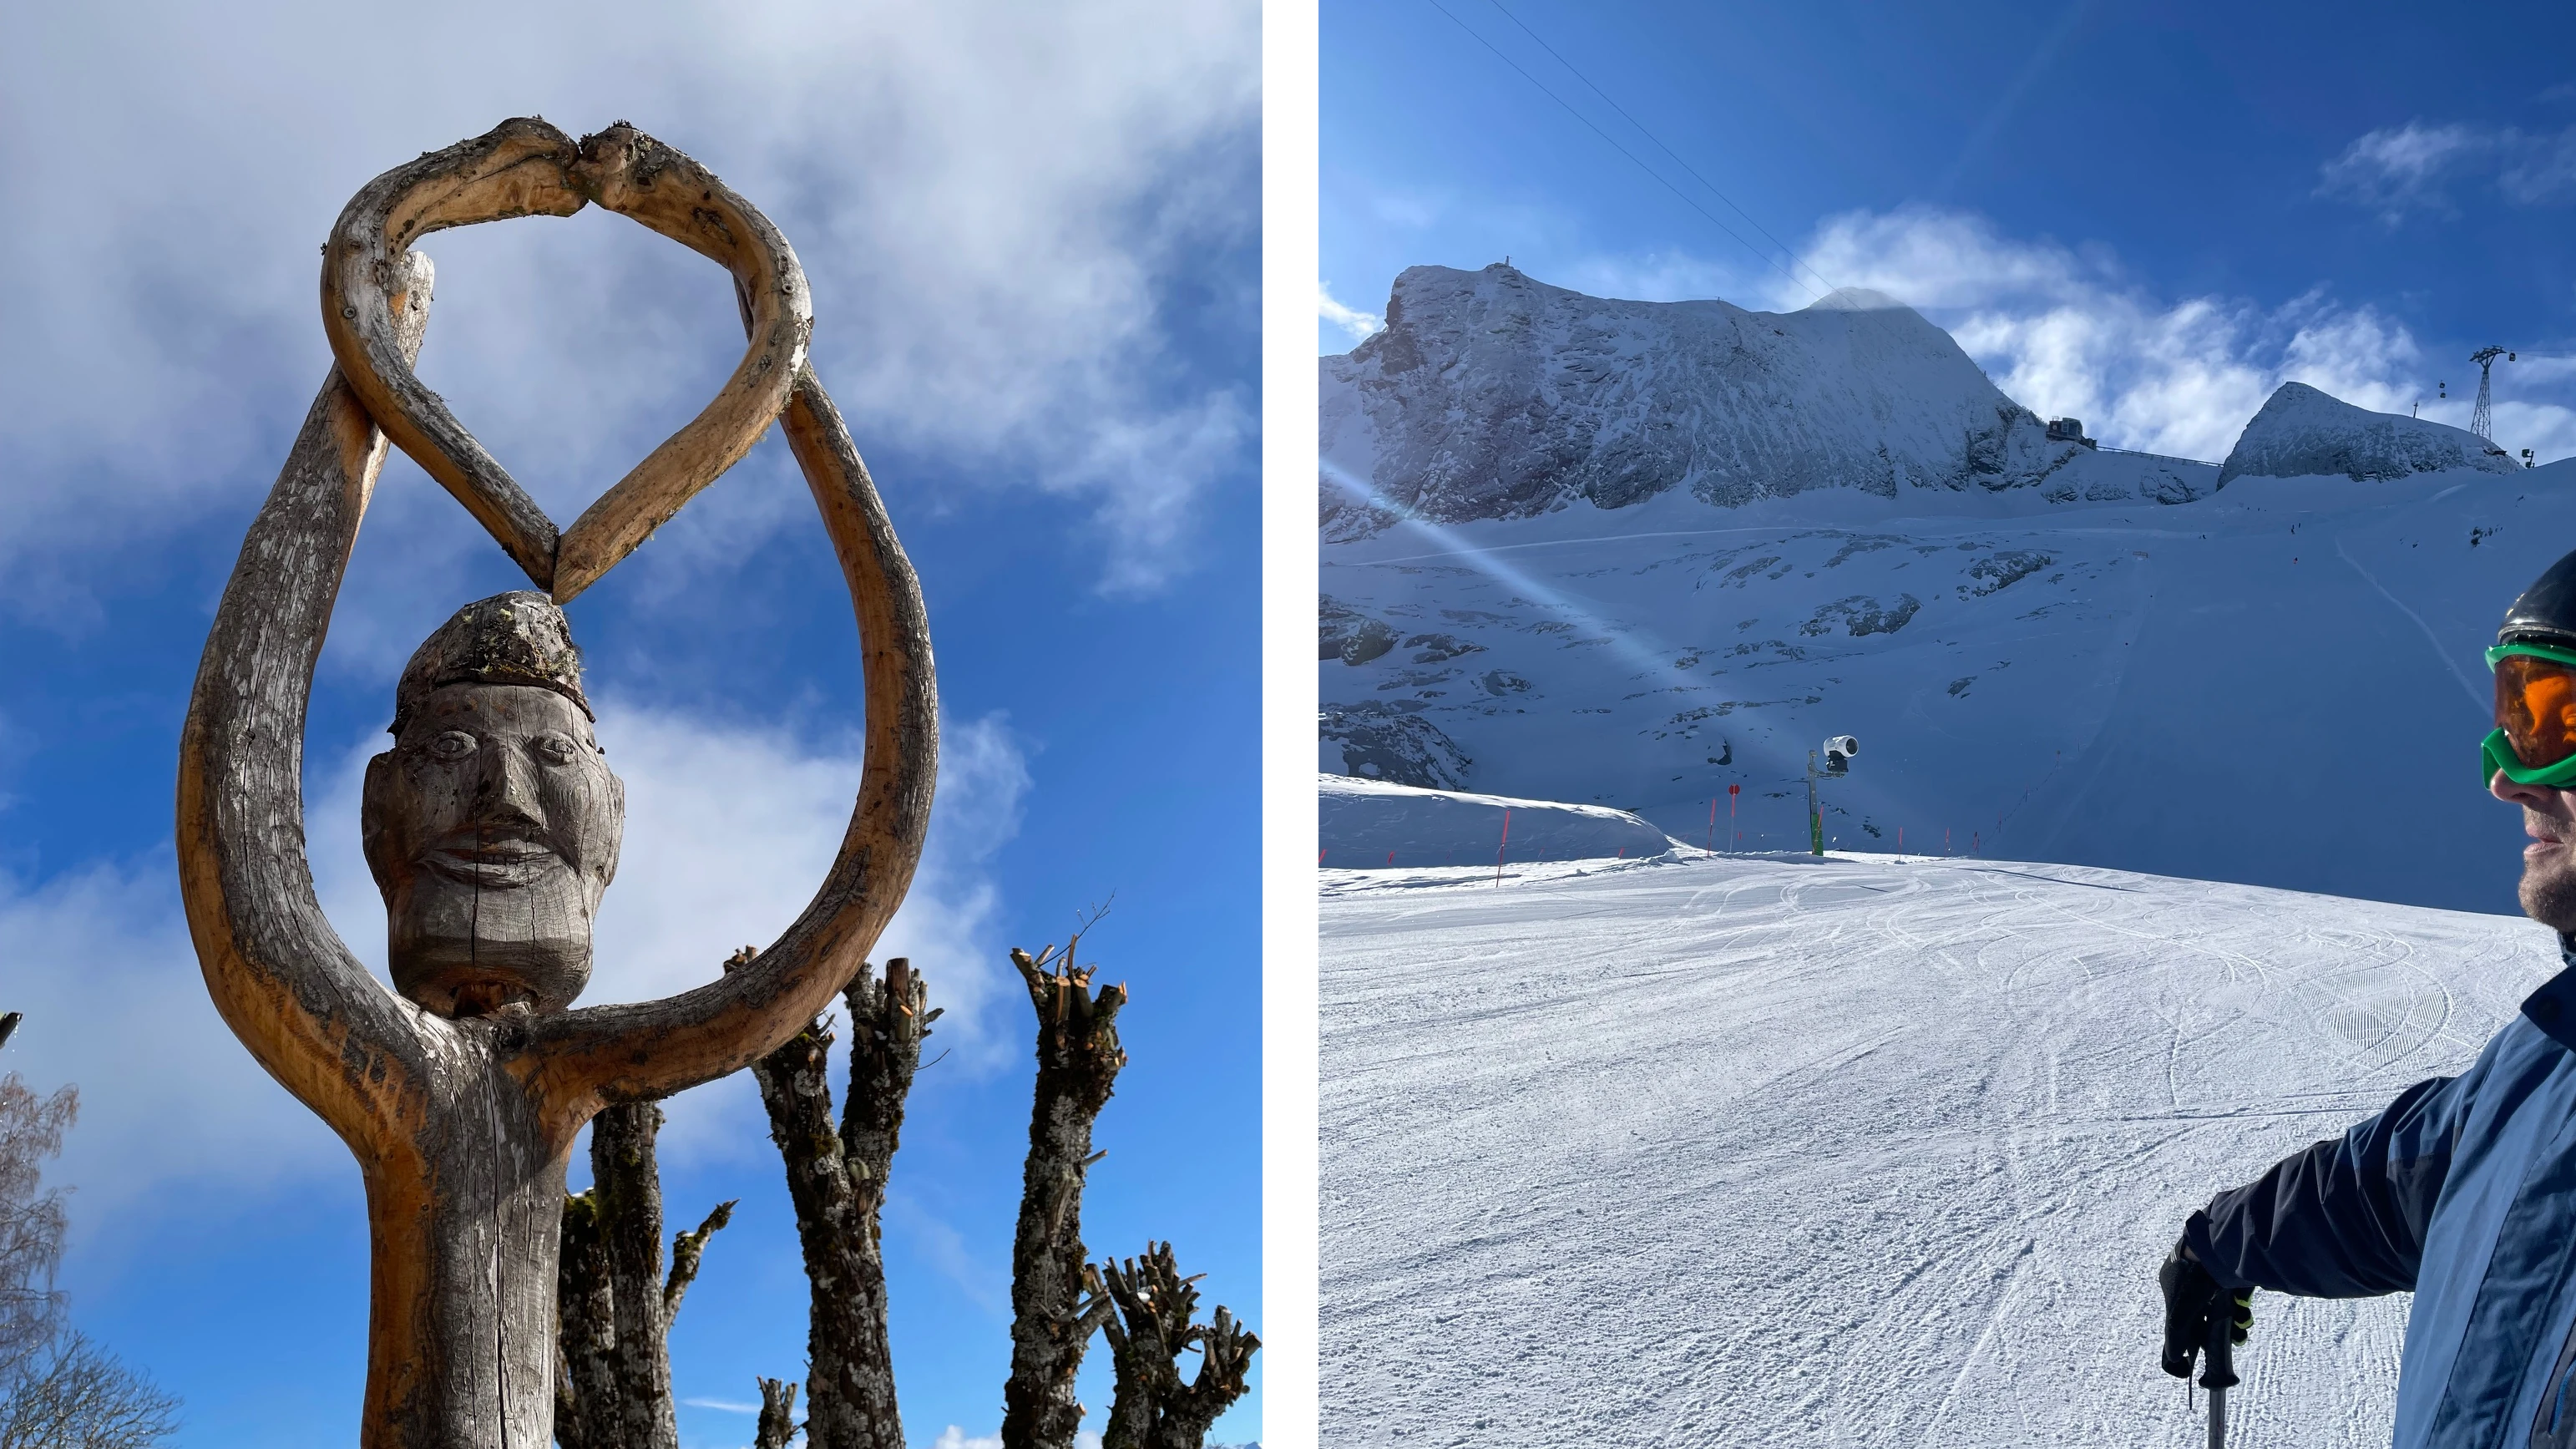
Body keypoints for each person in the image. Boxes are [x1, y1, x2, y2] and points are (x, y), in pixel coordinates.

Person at [2162, 545, 2576, 1446]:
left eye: (2550, 716)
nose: (2505, 775)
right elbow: (2386, 1184)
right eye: (2513, 707)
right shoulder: (2543, 1059)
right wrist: (2221, 1241)